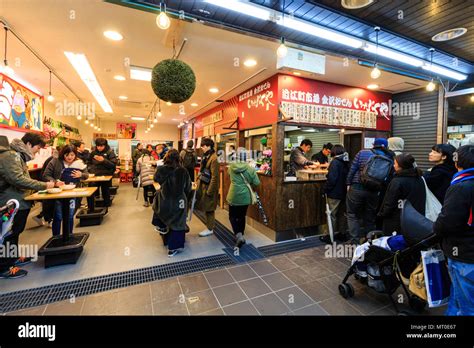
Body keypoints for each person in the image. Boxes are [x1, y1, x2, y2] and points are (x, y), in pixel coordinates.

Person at [0, 133, 54, 279]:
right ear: (29, 144)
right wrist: (44, 185)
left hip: (17, 200)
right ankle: (4, 267)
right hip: (11, 202)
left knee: (15, 232)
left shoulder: (17, 155)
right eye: (37, 149)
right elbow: (18, 179)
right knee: (8, 233)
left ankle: (12, 258)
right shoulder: (11, 156)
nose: (36, 152)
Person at [434, 145, 474, 315]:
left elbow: (447, 222)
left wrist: (435, 228)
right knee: (459, 297)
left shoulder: (461, 186)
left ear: (458, 163)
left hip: (464, 253)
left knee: (466, 303)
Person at [346, 138, 393, 244]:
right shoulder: (389, 157)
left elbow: (353, 169)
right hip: (375, 191)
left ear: (373, 144)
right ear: (386, 146)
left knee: (352, 214)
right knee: (370, 216)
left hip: (357, 187)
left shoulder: (362, 153)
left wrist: (348, 183)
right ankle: (369, 241)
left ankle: (355, 241)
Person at [43, 145, 89, 236]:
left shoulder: (79, 162)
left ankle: (69, 236)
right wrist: (55, 182)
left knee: (70, 216)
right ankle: (55, 237)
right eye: (67, 155)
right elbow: (46, 175)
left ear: (75, 155)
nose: (69, 157)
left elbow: (86, 175)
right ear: (63, 154)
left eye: (72, 155)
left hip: (73, 193)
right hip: (58, 193)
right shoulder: (55, 161)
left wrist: (81, 175)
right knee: (58, 216)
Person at [153, 149, 192, 257]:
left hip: (165, 200)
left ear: (166, 158)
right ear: (178, 158)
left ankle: (161, 226)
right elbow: (188, 188)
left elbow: (156, 179)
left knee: (158, 206)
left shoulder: (161, 169)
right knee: (178, 223)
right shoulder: (183, 171)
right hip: (179, 201)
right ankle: (173, 248)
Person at [378, 153, 426, 236]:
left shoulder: (397, 181)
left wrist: (382, 214)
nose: (393, 166)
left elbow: (390, 203)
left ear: (401, 166)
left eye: (395, 163)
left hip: (397, 221)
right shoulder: (419, 178)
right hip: (416, 219)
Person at [226, 148, 260, 248]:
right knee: (241, 216)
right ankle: (241, 235)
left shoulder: (231, 167)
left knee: (232, 216)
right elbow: (257, 183)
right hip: (245, 196)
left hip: (233, 195)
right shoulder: (250, 169)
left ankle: (238, 235)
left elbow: (229, 175)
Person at [321, 145, 350, 243]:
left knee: (331, 215)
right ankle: (342, 234)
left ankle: (330, 236)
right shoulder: (346, 161)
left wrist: (325, 189)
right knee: (342, 214)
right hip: (344, 192)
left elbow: (332, 180)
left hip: (334, 193)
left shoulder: (335, 162)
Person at [196, 138, 219, 237]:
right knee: (206, 207)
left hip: (209, 187)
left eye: (203, 146)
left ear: (208, 146)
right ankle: (209, 227)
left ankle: (210, 228)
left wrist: (210, 191)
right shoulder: (206, 156)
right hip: (203, 185)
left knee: (209, 209)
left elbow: (215, 177)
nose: (202, 148)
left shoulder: (214, 158)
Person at [87, 138, 117, 207]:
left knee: (105, 191)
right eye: (98, 146)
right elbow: (88, 162)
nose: (99, 148)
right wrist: (90, 169)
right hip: (94, 176)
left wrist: (103, 160)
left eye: (101, 146)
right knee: (91, 191)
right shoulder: (93, 153)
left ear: (105, 145)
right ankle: (91, 207)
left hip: (106, 176)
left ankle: (106, 206)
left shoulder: (110, 152)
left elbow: (113, 165)